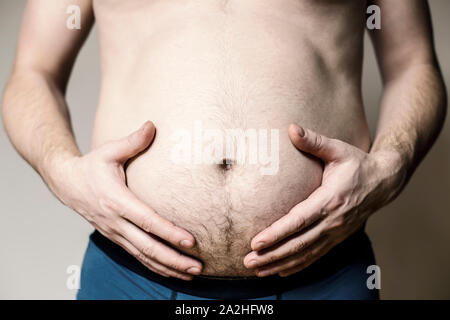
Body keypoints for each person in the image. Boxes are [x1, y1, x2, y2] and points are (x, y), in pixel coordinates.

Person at [2, 0, 446, 300]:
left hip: (324, 276)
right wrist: (64, 172)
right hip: (130, 279)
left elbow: (413, 64)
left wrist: (390, 166)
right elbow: (33, 72)